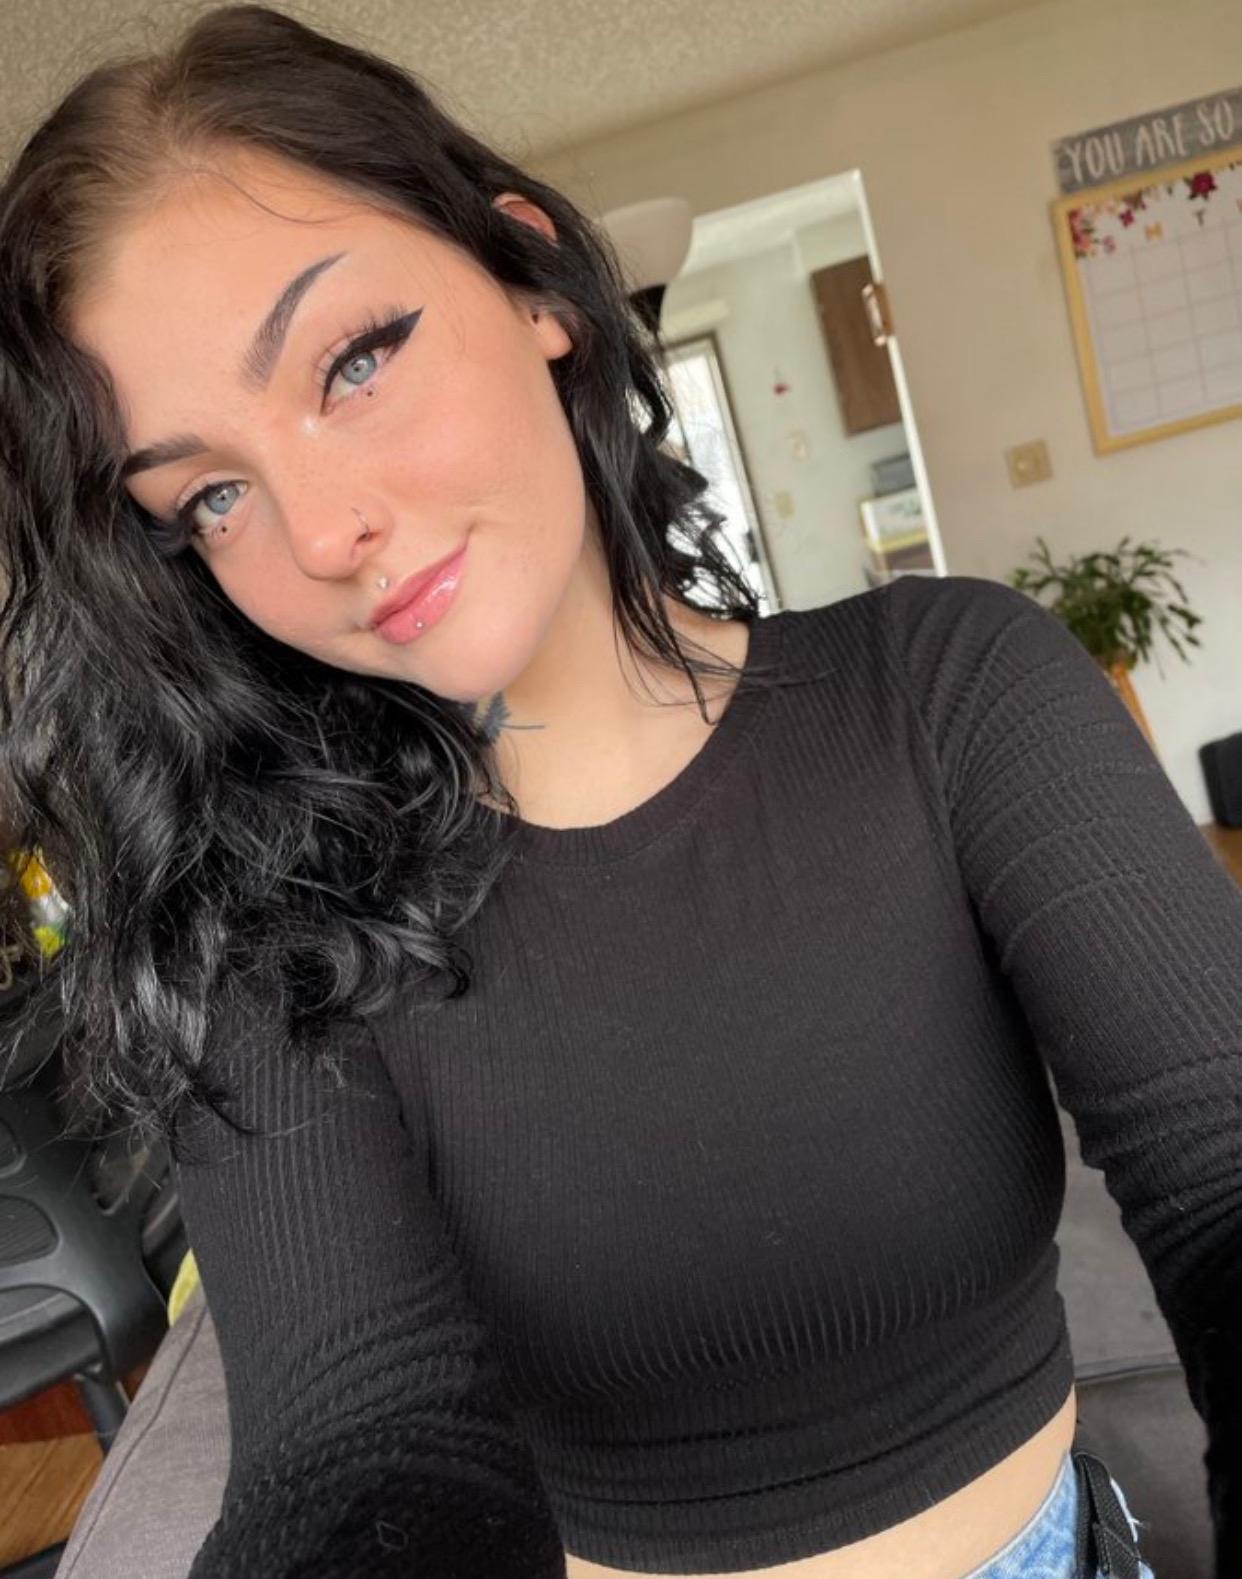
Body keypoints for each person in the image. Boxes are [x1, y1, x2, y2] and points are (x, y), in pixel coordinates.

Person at [0, 7, 1238, 1577]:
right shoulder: (258, 924)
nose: (319, 533)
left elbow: (1220, 1171)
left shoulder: (949, 690)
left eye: (354, 362)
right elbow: (359, 1445)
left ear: (530, 283)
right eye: (213, 497)